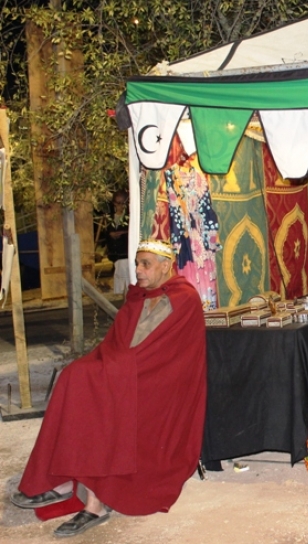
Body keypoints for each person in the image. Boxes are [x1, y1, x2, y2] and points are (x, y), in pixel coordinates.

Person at [10, 240, 207, 538]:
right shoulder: (139, 297)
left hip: (161, 383)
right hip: (130, 370)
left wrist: (117, 370)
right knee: (73, 378)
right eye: (137, 264)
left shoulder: (185, 298)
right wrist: (111, 366)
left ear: (166, 266)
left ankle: (95, 504)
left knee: (96, 392)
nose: (138, 270)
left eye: (145, 264)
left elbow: (172, 354)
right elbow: (117, 342)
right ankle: (64, 478)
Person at [104, 190, 130, 295]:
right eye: (118, 203)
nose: (120, 206)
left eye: (123, 203)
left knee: (127, 284)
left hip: (126, 253)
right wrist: (110, 234)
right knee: (122, 284)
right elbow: (106, 233)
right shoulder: (110, 217)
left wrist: (122, 233)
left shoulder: (129, 217)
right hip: (115, 254)